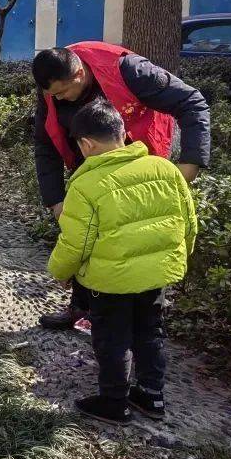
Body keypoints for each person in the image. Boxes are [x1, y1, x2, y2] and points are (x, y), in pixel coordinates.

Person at [31, 42, 210, 330]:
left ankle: (143, 319)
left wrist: (191, 161)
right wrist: (56, 200)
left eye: (62, 93)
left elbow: (192, 102)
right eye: (52, 95)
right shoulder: (52, 88)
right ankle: (82, 309)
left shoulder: (128, 69)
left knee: (132, 238)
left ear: (79, 74)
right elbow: (45, 143)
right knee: (83, 234)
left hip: (137, 168)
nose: (59, 100)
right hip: (88, 167)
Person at [47, 100, 196, 424]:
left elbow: (76, 241)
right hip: (155, 274)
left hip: (109, 280)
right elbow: (188, 223)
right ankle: (152, 396)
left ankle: (114, 401)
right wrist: (174, 259)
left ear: (86, 144)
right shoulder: (165, 169)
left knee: (112, 338)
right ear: (124, 133)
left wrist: (61, 271)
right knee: (150, 331)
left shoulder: (85, 185)